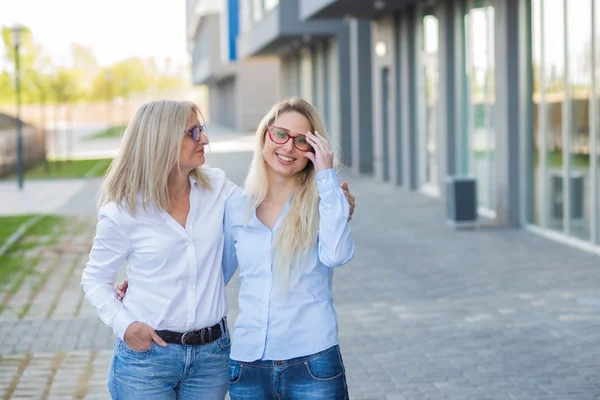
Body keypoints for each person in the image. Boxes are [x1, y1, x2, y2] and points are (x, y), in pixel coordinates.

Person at [82, 99, 356, 399]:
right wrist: (126, 323)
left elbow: (278, 220)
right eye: (193, 133)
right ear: (162, 140)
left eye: (202, 130)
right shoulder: (124, 210)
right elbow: (96, 279)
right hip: (150, 359)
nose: (205, 139)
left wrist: (334, 207)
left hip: (213, 358)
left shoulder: (217, 188)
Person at [223, 97, 353, 399]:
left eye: (301, 141)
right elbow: (213, 275)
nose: (288, 147)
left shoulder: (326, 201)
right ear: (265, 134)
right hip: (248, 366)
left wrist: (326, 176)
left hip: (313, 363)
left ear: (314, 150)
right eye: (280, 134)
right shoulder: (235, 208)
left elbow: (337, 255)